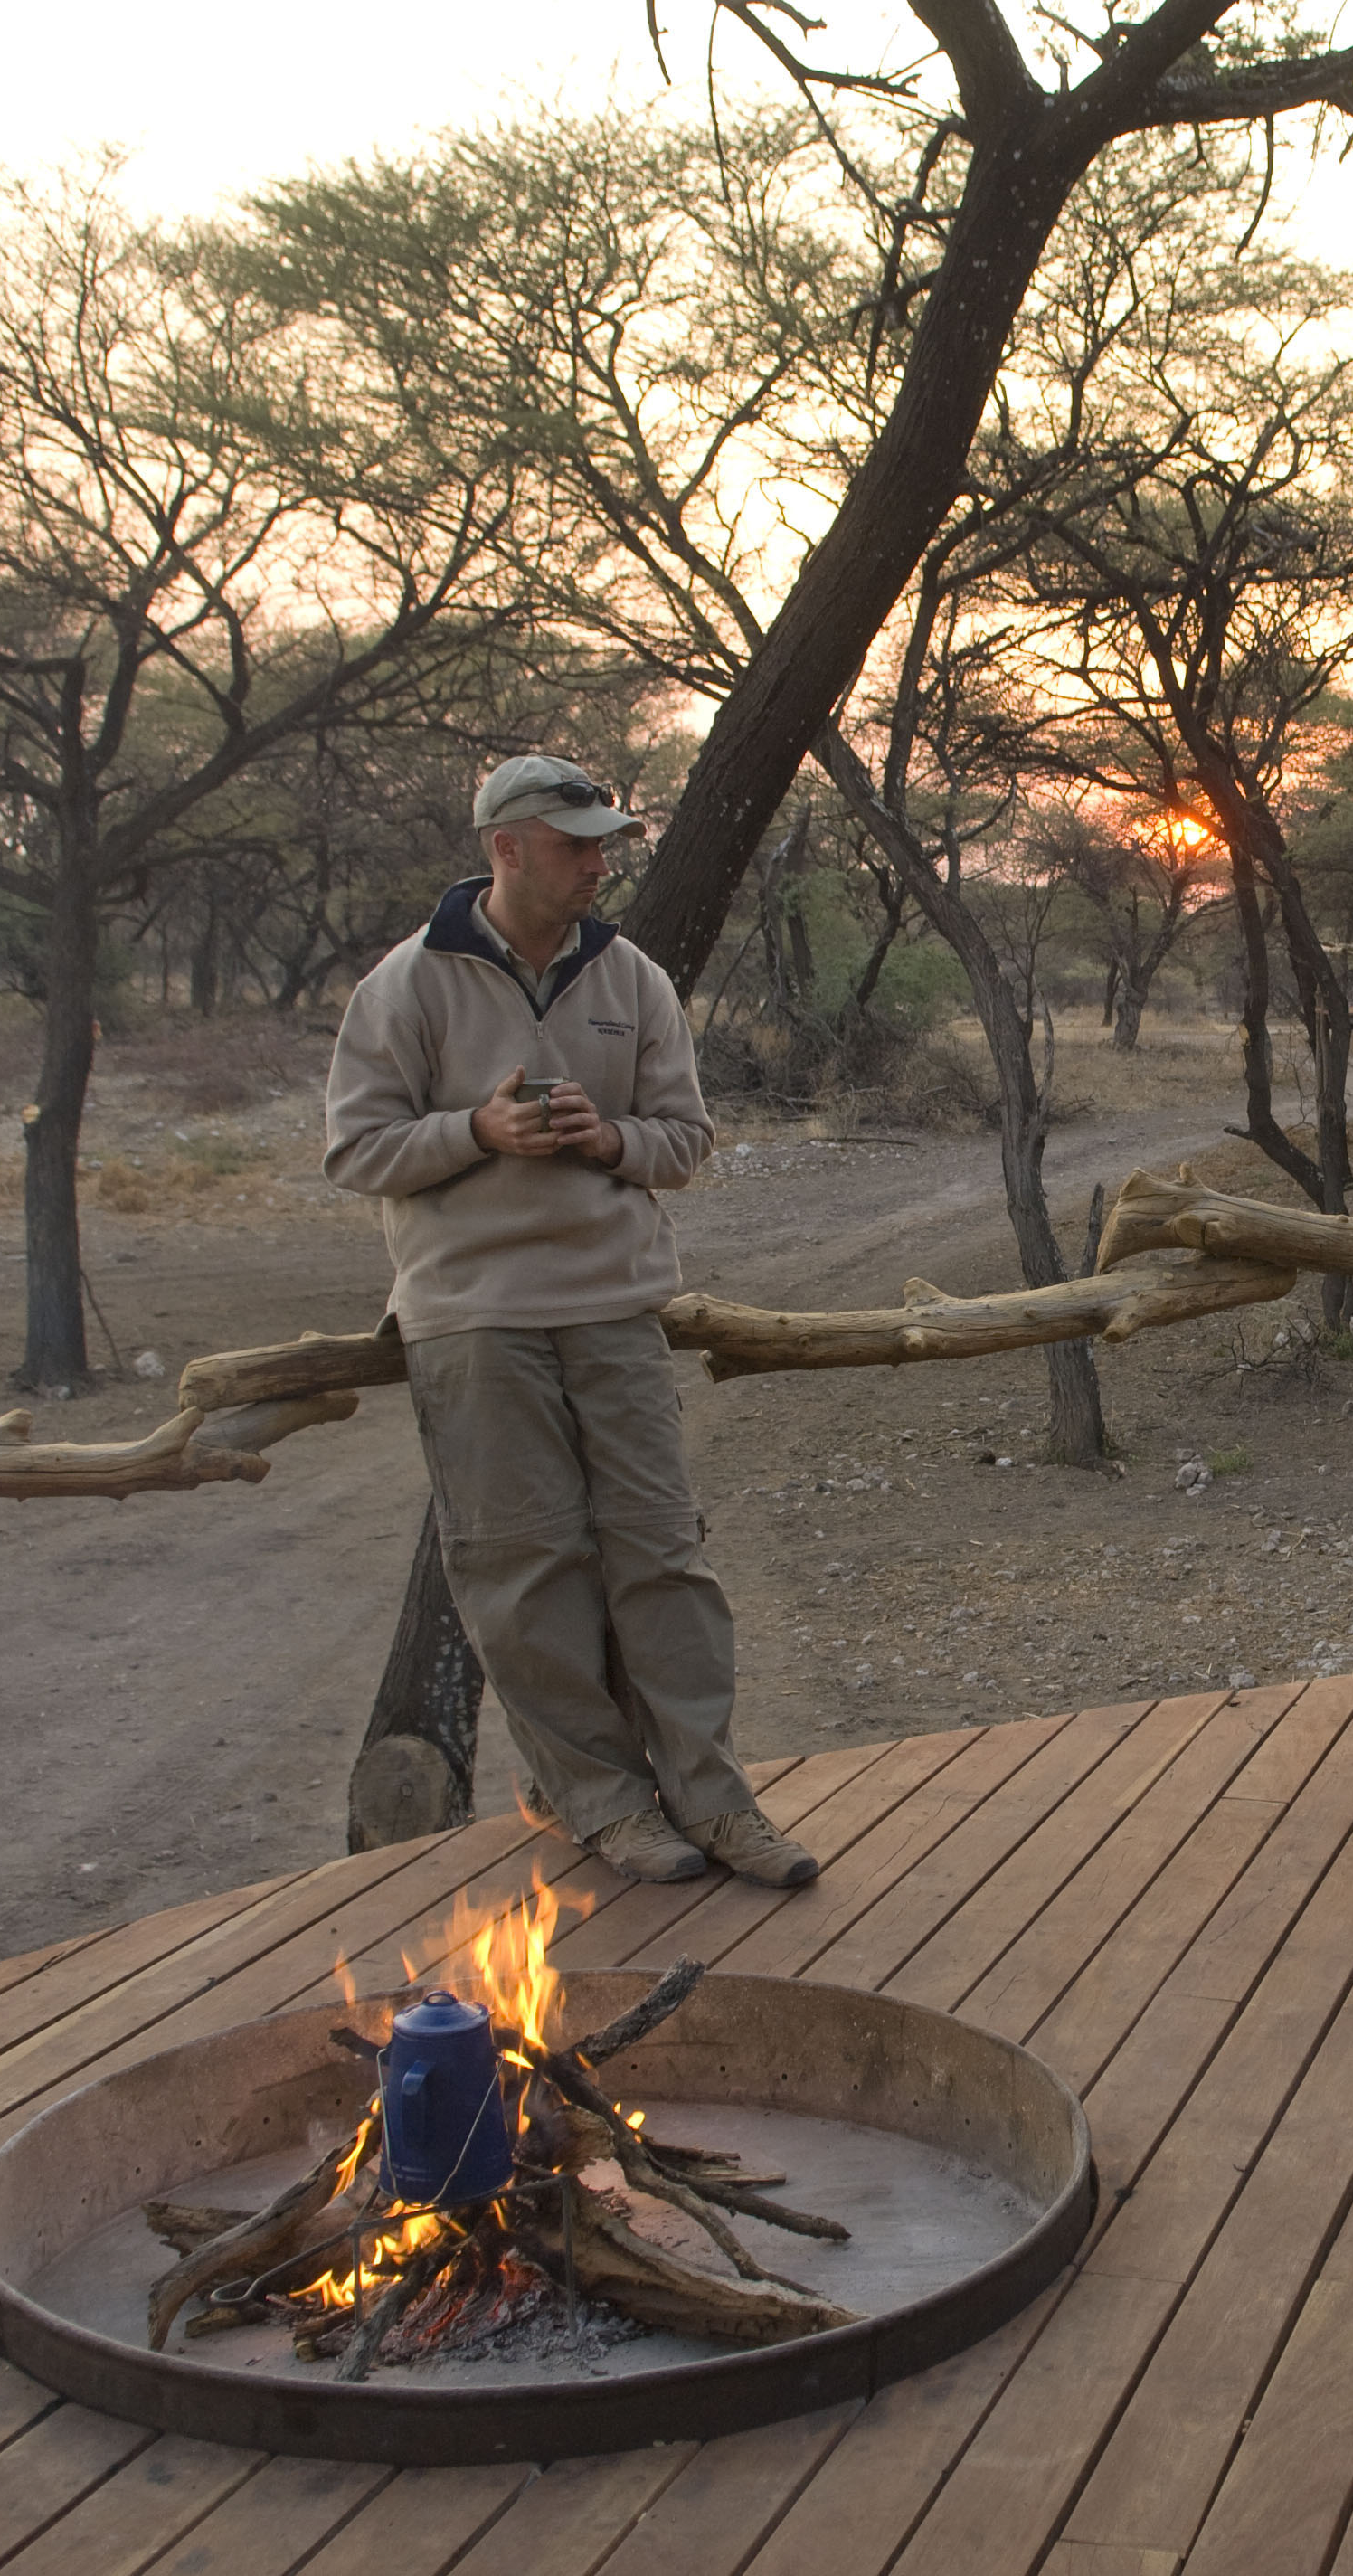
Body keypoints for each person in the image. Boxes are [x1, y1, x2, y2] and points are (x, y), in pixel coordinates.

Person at [322, 754, 818, 1890]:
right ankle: (599, 1801)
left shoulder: (630, 977)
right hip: (471, 1317)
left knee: (663, 1555)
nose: (600, 862)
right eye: (576, 843)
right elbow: (355, 1150)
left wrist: (609, 1141)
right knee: (525, 1569)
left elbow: (684, 1141)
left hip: (612, 1307)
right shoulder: (406, 985)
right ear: (506, 848)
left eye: (606, 842)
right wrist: (475, 1133)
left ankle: (713, 1798)